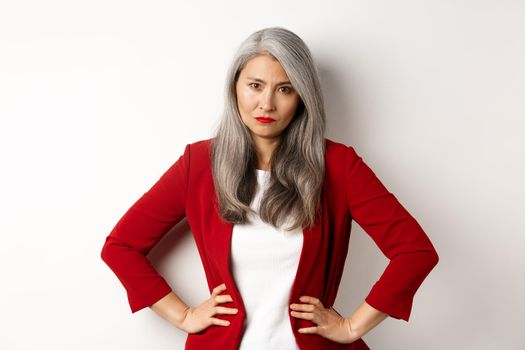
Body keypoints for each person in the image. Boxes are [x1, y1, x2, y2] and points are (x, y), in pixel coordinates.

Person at [100, 26, 439, 350]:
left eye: (285, 88)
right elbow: (121, 246)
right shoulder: (199, 163)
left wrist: (352, 326)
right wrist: (183, 314)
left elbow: (414, 252)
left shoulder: (338, 165)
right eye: (256, 85)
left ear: (302, 97)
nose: (267, 104)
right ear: (235, 87)